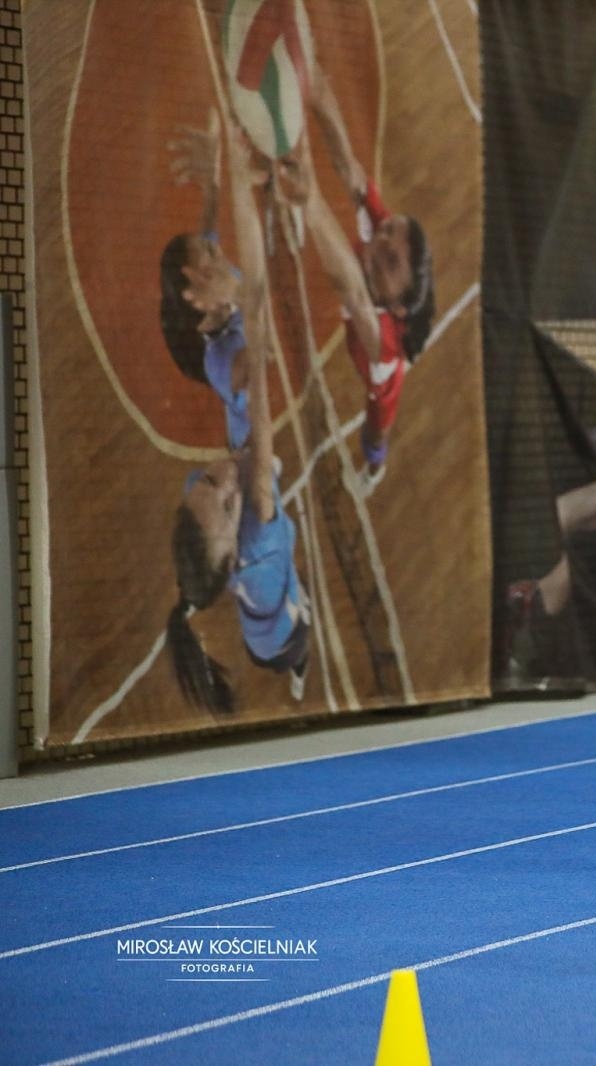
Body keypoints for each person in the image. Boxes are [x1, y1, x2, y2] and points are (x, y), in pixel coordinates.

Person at [167, 118, 312, 713]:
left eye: (206, 481)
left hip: (254, 586)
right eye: (227, 502)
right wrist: (237, 178)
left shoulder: (215, 343)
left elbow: (218, 269)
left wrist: (214, 190)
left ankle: (290, 670)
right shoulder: (258, 520)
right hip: (280, 620)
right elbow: (256, 321)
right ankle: (296, 665)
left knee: (266, 656)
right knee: (288, 650)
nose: (219, 478)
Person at [295, 58, 436, 494]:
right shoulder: (383, 235)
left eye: (392, 262)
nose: (380, 244)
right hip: (375, 305)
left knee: (375, 434)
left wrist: (309, 199)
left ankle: (375, 470)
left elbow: (353, 292)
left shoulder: (386, 344)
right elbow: (347, 163)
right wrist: (318, 89)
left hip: (378, 375)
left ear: (396, 305)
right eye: (390, 229)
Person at [161, 110, 251, 451]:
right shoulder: (223, 362)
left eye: (210, 247)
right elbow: (265, 351)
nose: (217, 249)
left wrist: (213, 178)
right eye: (210, 255)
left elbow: (209, 225)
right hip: (252, 450)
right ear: (200, 300)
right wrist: (242, 294)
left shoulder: (218, 284)